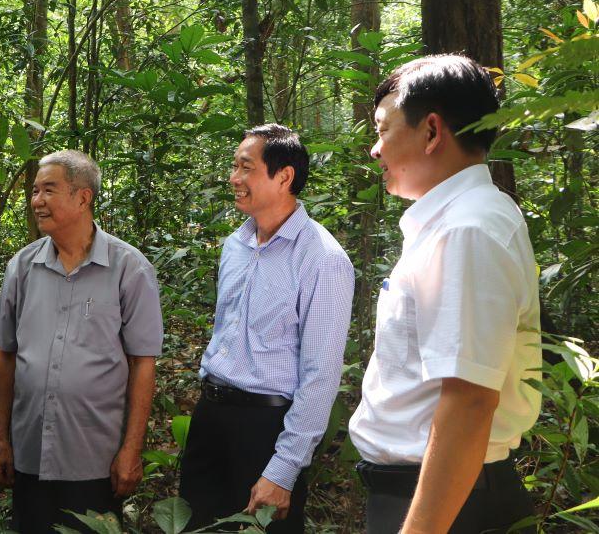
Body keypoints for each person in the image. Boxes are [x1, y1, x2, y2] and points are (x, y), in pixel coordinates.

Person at [348, 54, 542, 533]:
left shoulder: (466, 230)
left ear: (432, 132)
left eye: (382, 130)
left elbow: (470, 402)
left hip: (448, 504)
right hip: (440, 493)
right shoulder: (461, 221)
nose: (375, 149)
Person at [179, 124, 354, 532]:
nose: (233, 178)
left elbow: (321, 376)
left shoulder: (322, 258)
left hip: (266, 430)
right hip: (210, 418)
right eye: (234, 167)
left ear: (284, 176)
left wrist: (283, 469)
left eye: (245, 167)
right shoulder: (234, 245)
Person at [0, 150, 163, 533]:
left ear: (83, 198)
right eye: (34, 191)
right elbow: (5, 355)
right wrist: (2, 440)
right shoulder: (23, 265)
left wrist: (131, 450)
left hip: (95, 458)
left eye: (48, 190)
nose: (36, 201)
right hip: (30, 452)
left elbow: (142, 363)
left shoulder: (128, 268)